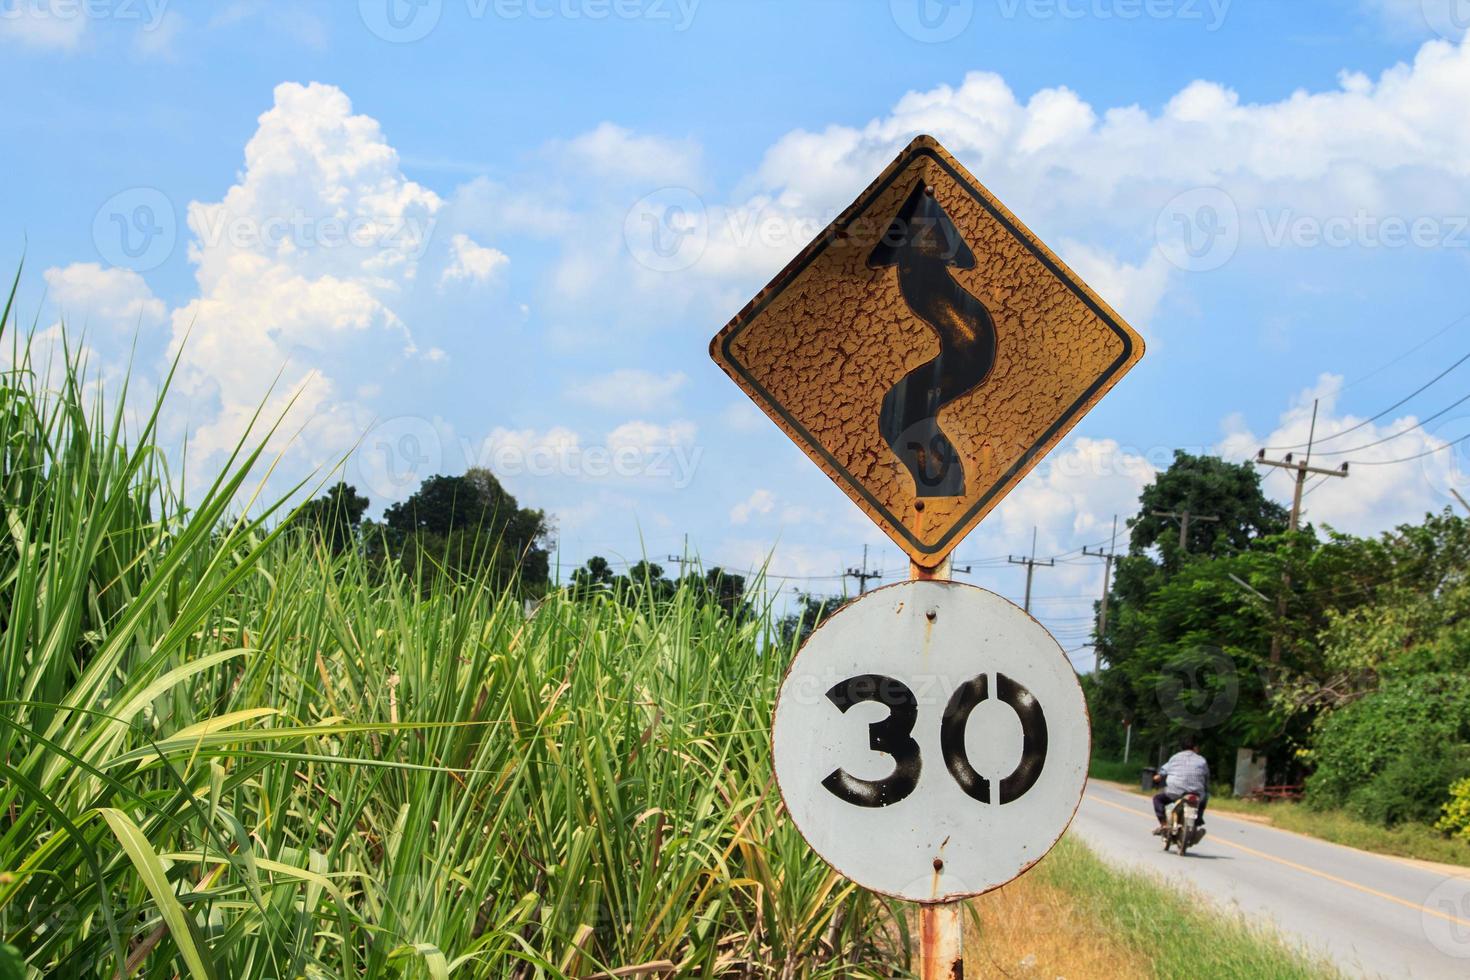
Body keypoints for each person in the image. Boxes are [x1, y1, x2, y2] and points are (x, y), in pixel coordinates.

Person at [1151, 735, 1210, 836]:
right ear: (1195, 747)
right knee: (1206, 796)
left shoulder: (1175, 758)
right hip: (1196, 794)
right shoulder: (1202, 760)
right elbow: (1206, 776)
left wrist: (1158, 776)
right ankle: (1198, 821)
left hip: (1175, 792)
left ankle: (1164, 825)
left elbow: (1163, 771)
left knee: (1157, 799)